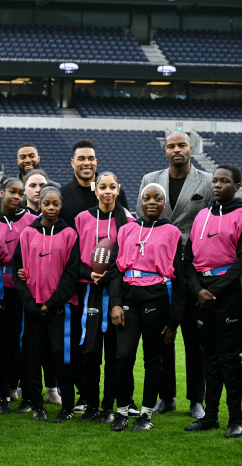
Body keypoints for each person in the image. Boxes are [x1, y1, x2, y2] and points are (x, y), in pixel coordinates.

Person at [137, 131, 207, 419]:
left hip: (191, 269)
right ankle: (166, 397)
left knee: (194, 339)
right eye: (170, 146)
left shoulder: (207, 180)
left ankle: (196, 400)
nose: (176, 150)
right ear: (165, 150)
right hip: (158, 270)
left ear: (190, 148)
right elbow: (143, 219)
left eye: (181, 145)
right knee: (161, 336)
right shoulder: (150, 178)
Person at [109, 183, 185, 432]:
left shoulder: (172, 232)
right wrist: (116, 303)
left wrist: (174, 320)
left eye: (158, 198)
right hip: (129, 300)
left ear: (164, 203)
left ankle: (146, 414)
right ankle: (121, 411)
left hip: (157, 300)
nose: (152, 202)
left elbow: (179, 278)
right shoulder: (127, 230)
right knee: (124, 356)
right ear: (140, 202)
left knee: (154, 359)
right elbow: (116, 271)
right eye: (147, 198)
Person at [183, 164, 242, 438]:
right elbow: (188, 260)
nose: (217, 185)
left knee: (230, 358)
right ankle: (211, 416)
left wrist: (215, 289)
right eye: (215, 181)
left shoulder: (240, 214)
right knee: (211, 357)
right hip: (202, 294)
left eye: (224, 181)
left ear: (237, 186)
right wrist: (198, 291)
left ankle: (236, 419)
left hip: (229, 294)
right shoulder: (201, 216)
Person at [13, 186, 80, 423]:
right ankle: (36, 404)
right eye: (46, 204)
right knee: (32, 356)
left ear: (61, 206)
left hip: (59, 308)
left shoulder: (70, 234)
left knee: (62, 356)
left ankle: (68, 406)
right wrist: (31, 304)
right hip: (32, 308)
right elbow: (17, 271)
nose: (51, 208)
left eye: (55, 204)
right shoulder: (27, 234)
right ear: (39, 205)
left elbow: (71, 275)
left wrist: (52, 303)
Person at [74, 171, 135, 424]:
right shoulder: (82, 219)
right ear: (95, 190)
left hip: (118, 292)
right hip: (91, 292)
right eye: (103, 187)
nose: (107, 191)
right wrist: (89, 272)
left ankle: (108, 406)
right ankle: (90, 403)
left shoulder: (127, 221)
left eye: (112, 187)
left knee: (115, 353)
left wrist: (109, 276)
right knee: (89, 352)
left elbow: (128, 259)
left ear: (118, 190)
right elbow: (73, 258)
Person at [0, 176, 37, 415]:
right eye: (12, 192)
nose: (17, 197)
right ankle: (5, 394)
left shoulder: (33, 221)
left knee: (23, 342)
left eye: (21, 193)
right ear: (1, 193)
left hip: (24, 290)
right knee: (1, 343)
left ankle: (24, 391)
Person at [59, 139, 129, 230]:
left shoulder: (117, 193)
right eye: (81, 159)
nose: (87, 163)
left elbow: (126, 227)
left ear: (96, 162)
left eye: (91, 158)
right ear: (72, 163)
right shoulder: (62, 195)